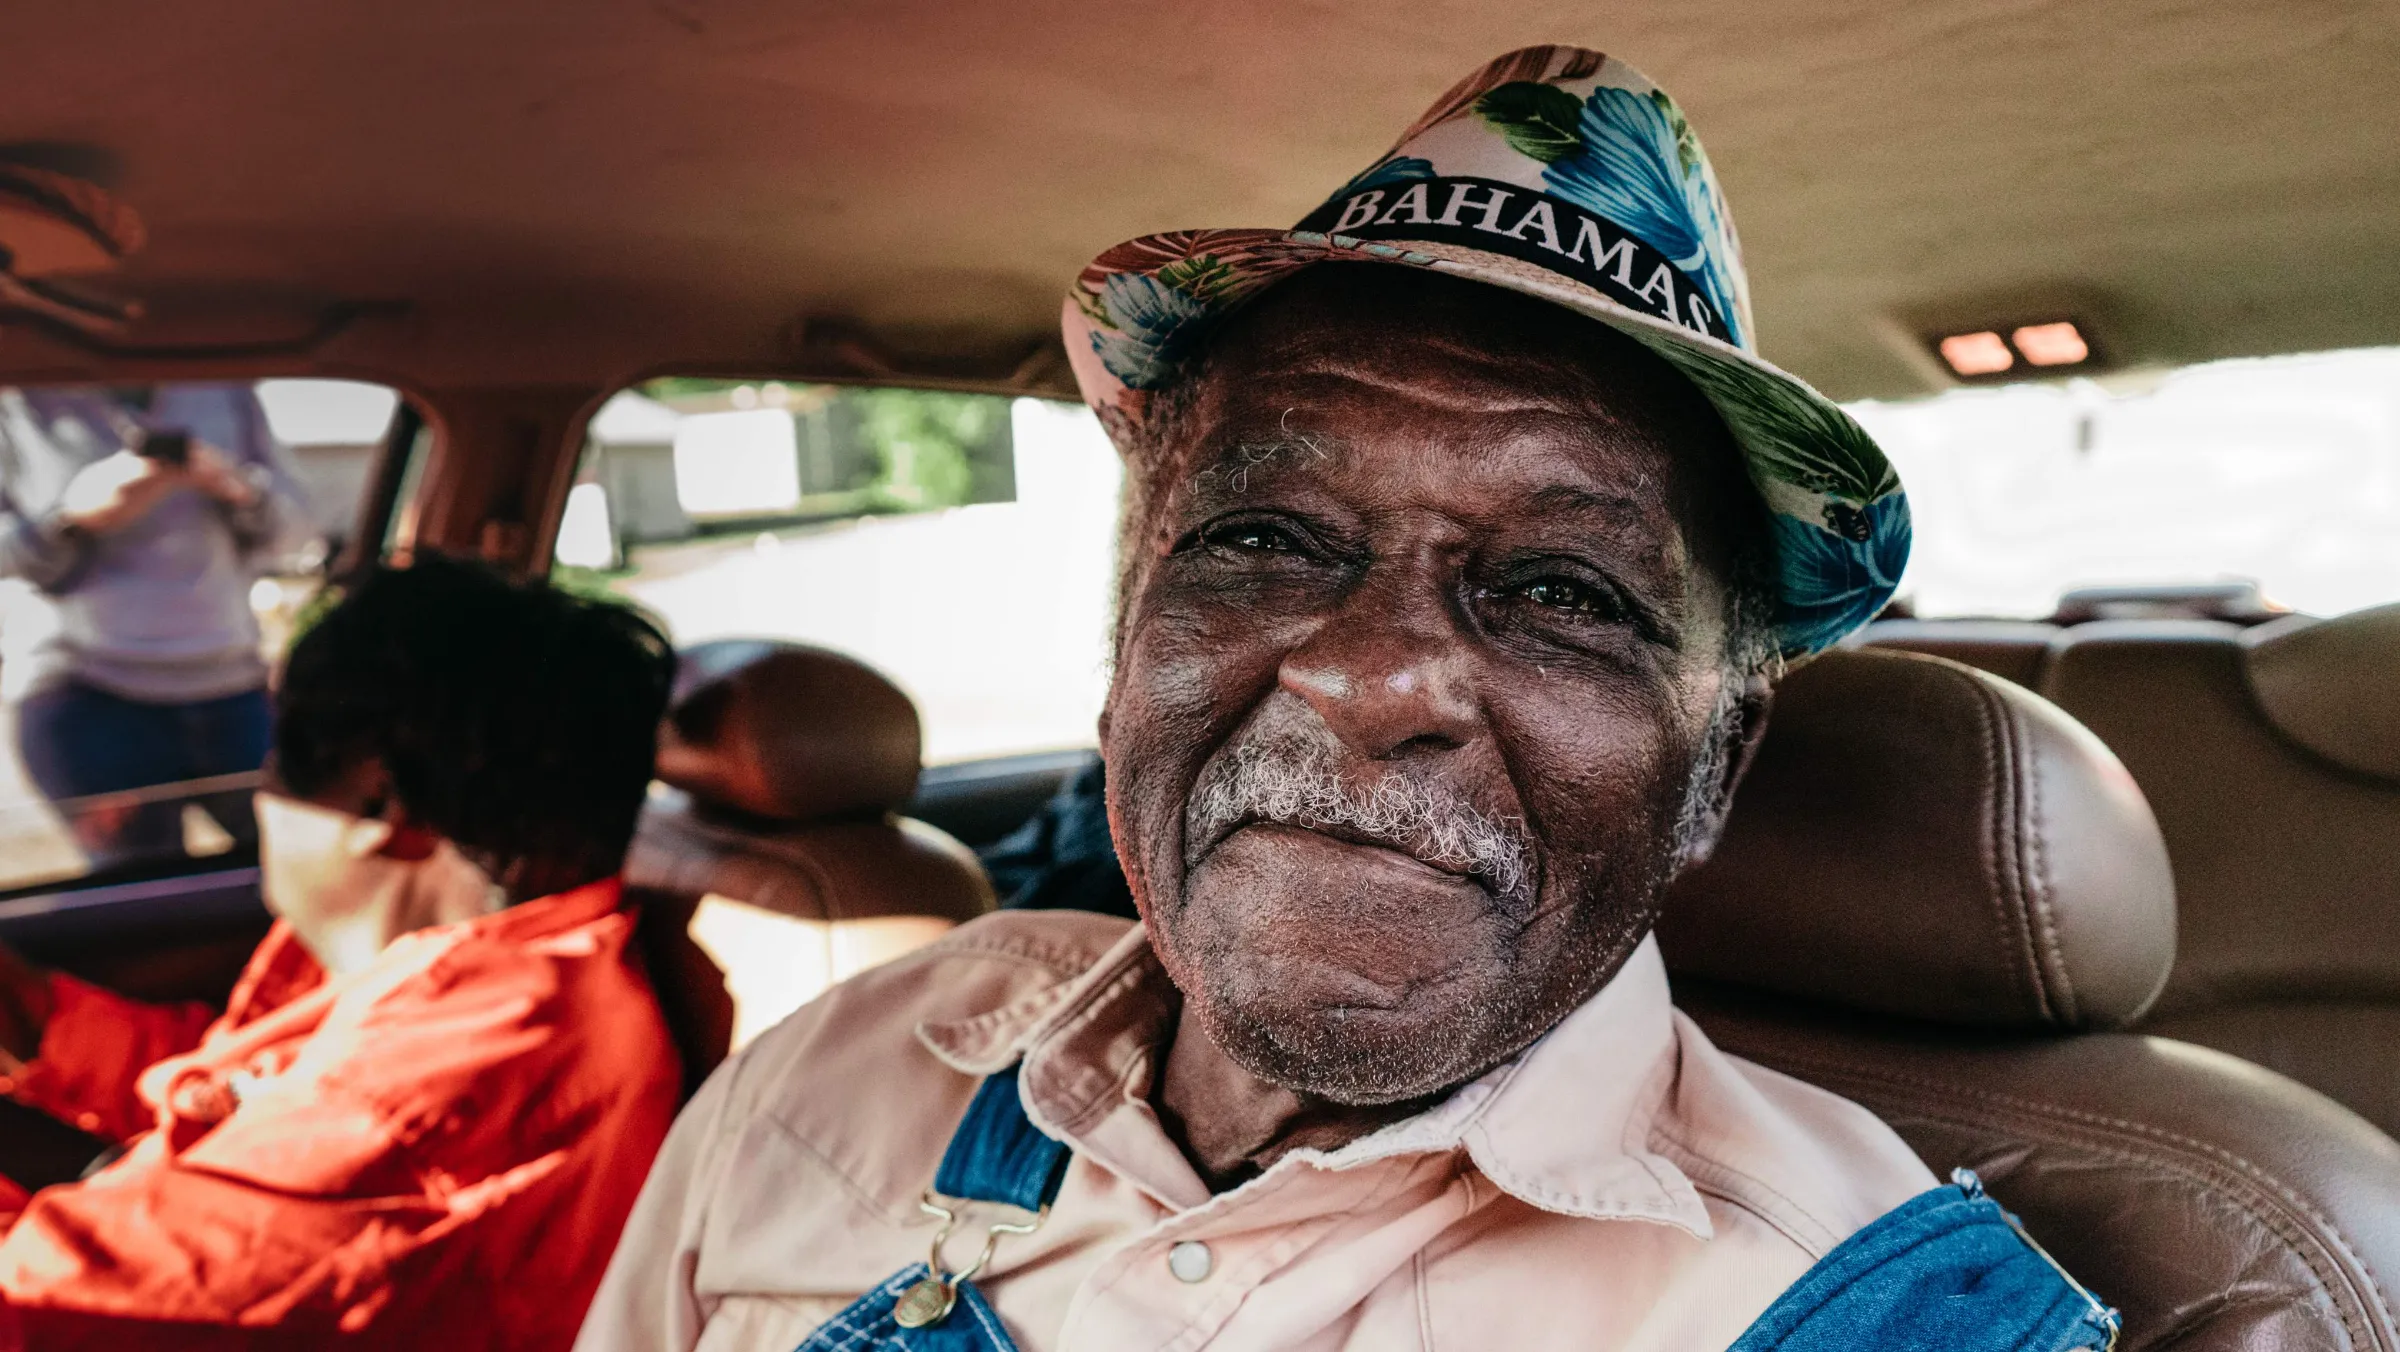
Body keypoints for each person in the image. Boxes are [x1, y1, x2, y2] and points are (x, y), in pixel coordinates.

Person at [577, 47, 2112, 1352]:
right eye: (1264, 539)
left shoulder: (1873, 1313)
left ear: (1713, 768)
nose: (1368, 678)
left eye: (1566, 596)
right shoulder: (857, 1063)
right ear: (1124, 656)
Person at [0, 555, 683, 1350]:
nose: (260, 803)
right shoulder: (447, 983)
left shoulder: (436, 1095)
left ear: (378, 799)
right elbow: (234, 1105)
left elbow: (55, 1311)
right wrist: (34, 1017)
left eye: (275, 763)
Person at [0, 382, 312, 870]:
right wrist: (74, 518)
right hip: (87, 695)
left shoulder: (226, 391)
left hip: (232, 686)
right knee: (142, 905)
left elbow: (297, 530)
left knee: (302, 868)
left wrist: (234, 487)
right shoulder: (16, 401)